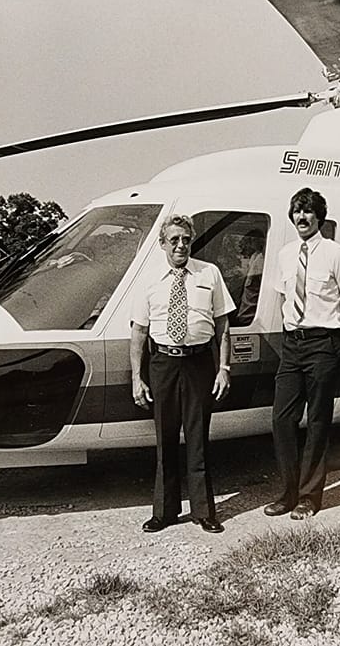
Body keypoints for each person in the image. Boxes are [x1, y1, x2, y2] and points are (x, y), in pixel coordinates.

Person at [130, 214, 235, 534]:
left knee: (198, 437)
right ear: (162, 243)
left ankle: (204, 512)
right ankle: (164, 512)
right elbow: (139, 331)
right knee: (165, 438)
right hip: (162, 363)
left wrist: (223, 368)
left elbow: (223, 326)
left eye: (186, 240)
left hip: (199, 363)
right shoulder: (148, 280)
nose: (180, 245)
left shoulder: (209, 273)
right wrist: (137, 377)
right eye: (174, 240)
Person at [265, 188, 340, 520]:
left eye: (308, 211)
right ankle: (288, 493)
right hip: (292, 345)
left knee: (318, 421)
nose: (302, 217)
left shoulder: (335, 254)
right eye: (297, 211)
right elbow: (284, 298)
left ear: (319, 217)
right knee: (282, 419)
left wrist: (336, 338)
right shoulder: (285, 254)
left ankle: (309, 497)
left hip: (324, 344)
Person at [233, 229, 265, 326]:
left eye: (251, 241)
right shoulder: (254, 257)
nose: (247, 246)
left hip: (249, 315)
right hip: (244, 312)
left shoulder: (260, 259)